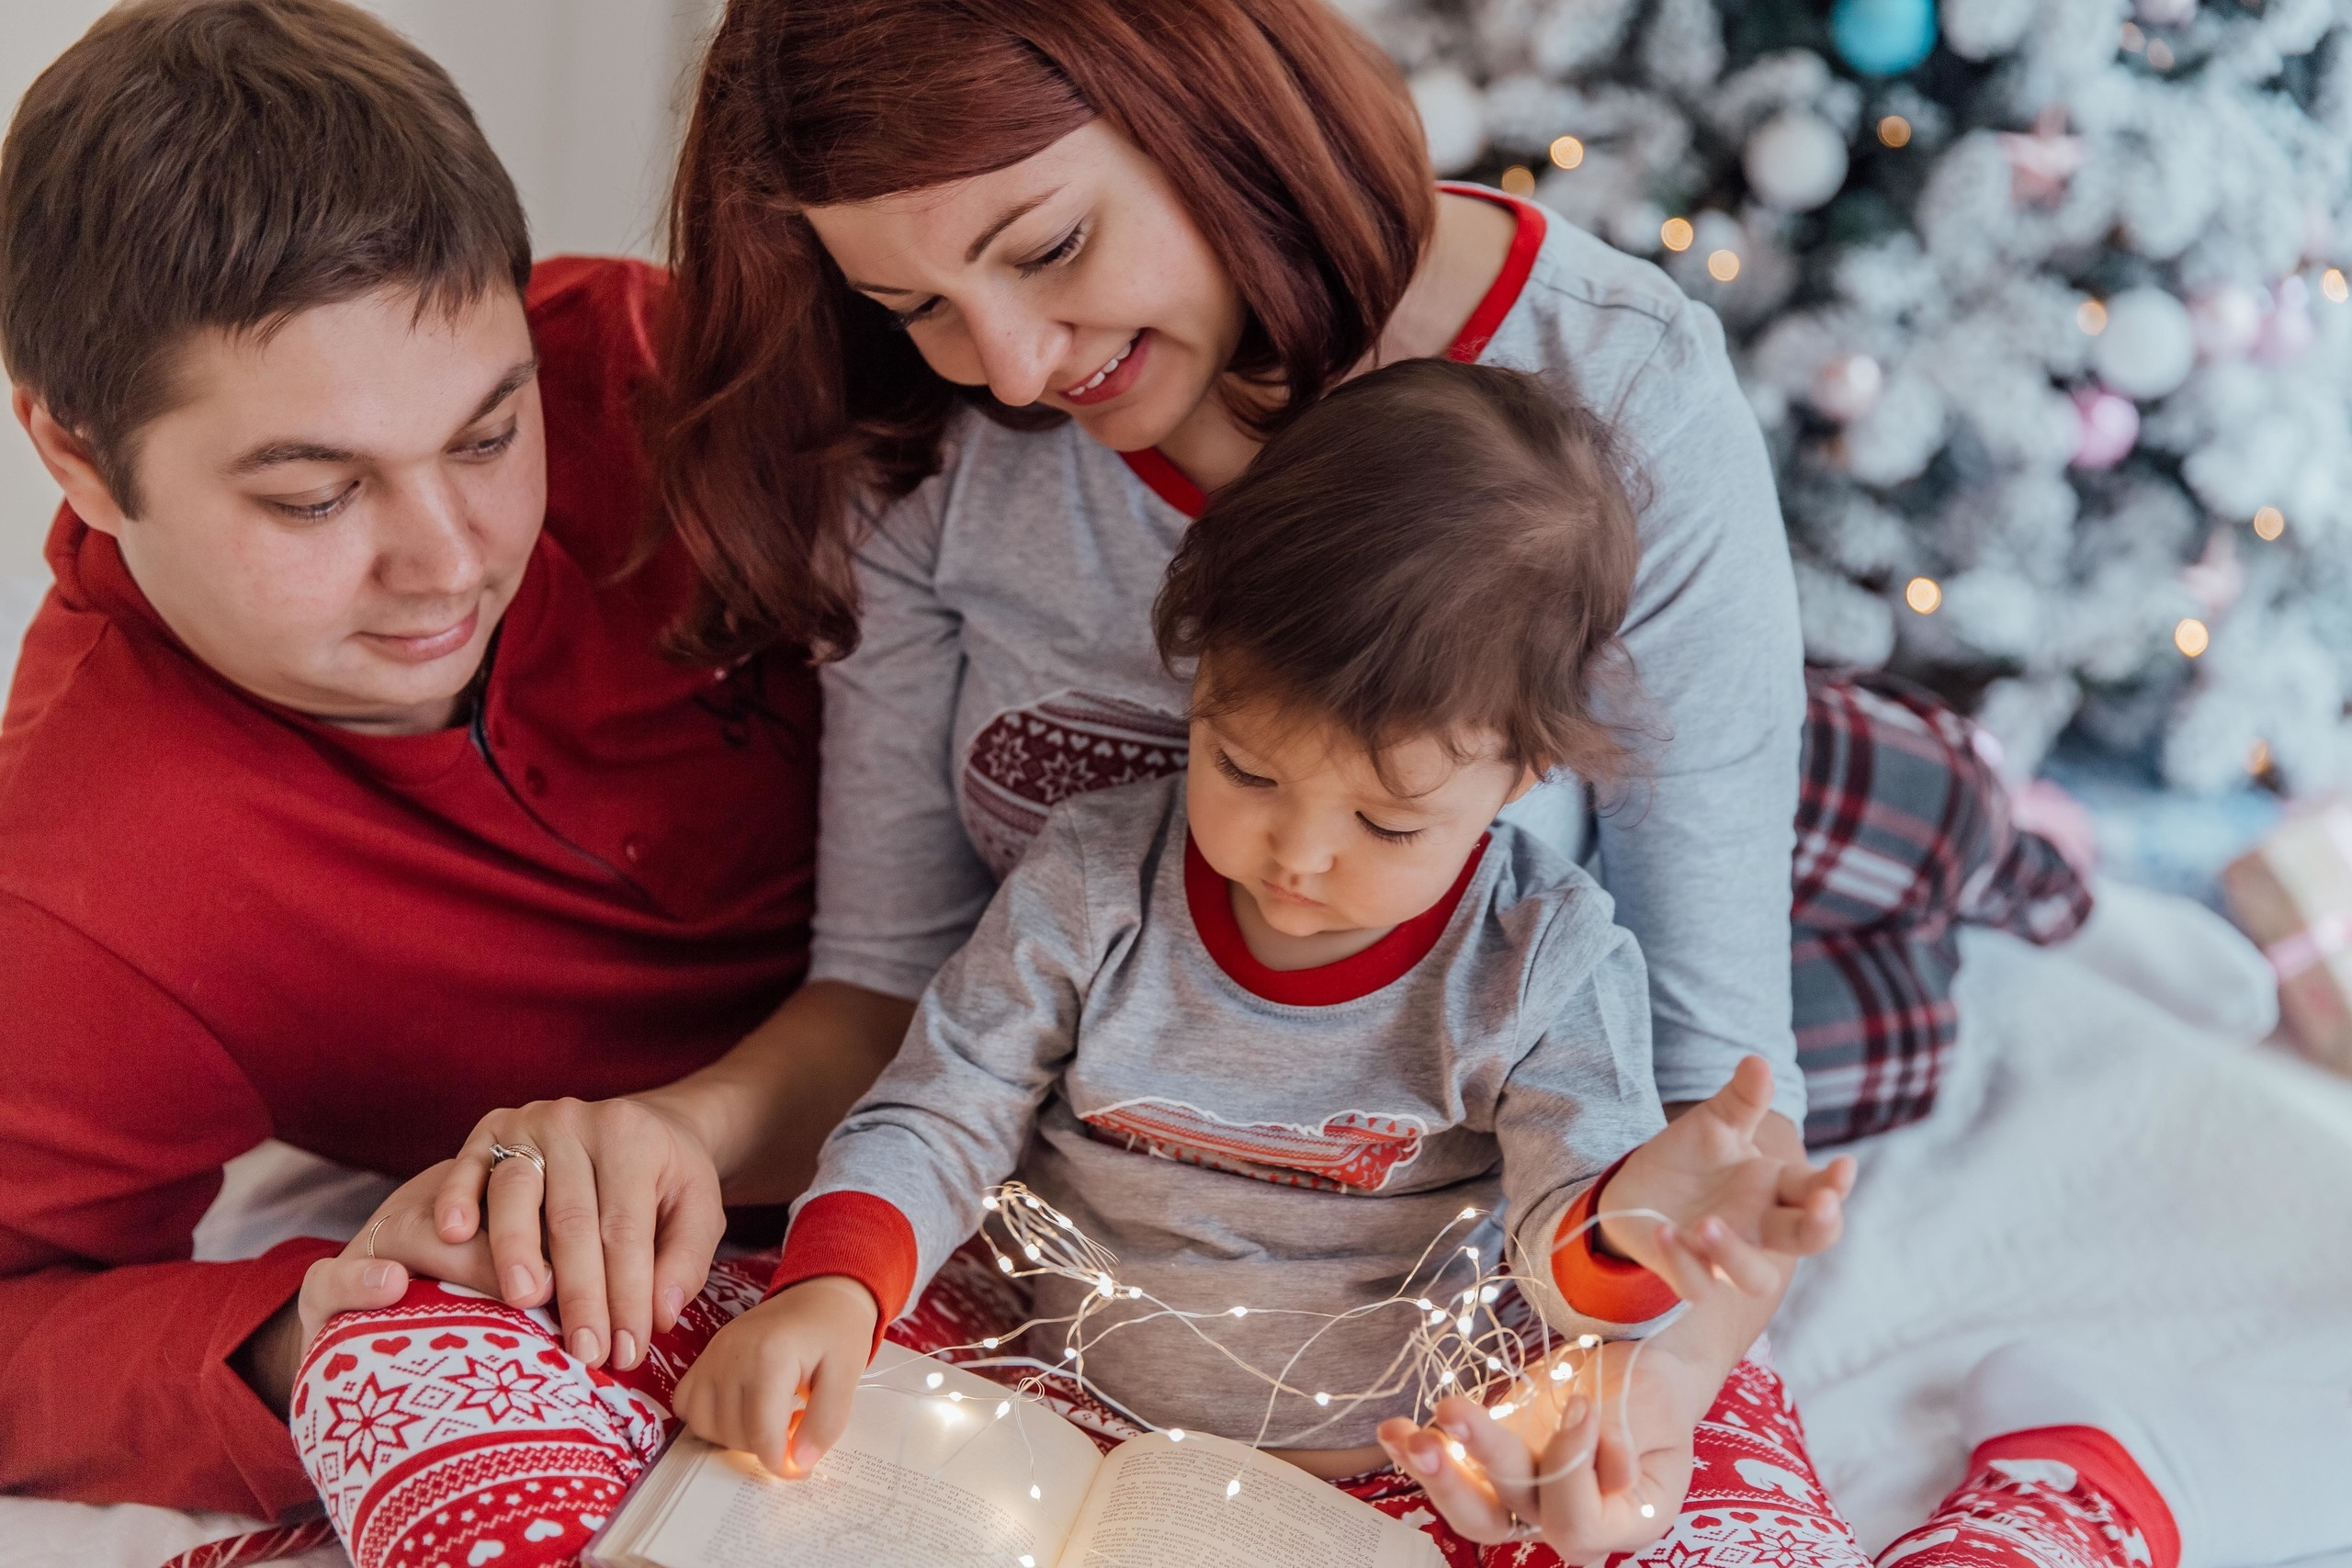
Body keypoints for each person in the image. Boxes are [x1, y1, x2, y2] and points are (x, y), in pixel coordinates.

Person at [672, 358, 1857, 1549]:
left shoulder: (1540, 961)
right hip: (1050, 1403)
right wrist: (826, 1290)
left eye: (1388, 823)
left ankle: (2040, 1471)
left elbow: (1569, 1267)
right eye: (1243, 768)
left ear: (1525, 773)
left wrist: (1636, 1222)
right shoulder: (1097, 878)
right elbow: (941, 1107)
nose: (1297, 855)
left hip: (1415, 1460)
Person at [0, 0, 873, 1520]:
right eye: (315, 497)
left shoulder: (669, 375)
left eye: (484, 434)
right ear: (76, 453)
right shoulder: (77, 877)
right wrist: (300, 1324)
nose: (449, 561)